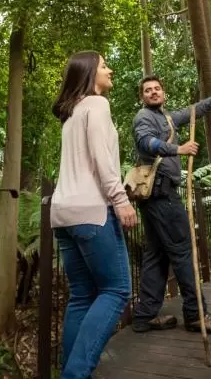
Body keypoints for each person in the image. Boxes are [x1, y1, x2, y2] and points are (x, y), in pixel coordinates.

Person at [50, 51, 138, 379]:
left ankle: (68, 372)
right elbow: (103, 161)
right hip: (92, 212)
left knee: (83, 296)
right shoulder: (97, 105)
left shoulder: (72, 113)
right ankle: (75, 375)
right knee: (116, 291)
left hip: (63, 213)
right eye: (103, 66)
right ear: (89, 73)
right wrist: (121, 201)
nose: (110, 69)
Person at [131, 74, 211, 335]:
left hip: (156, 199)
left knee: (157, 256)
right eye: (147, 90)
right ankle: (195, 314)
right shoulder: (144, 117)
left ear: (163, 93)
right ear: (142, 97)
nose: (153, 92)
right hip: (162, 195)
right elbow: (146, 142)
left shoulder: (166, 118)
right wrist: (179, 149)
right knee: (183, 250)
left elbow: (192, 112)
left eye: (157, 89)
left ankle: (144, 316)